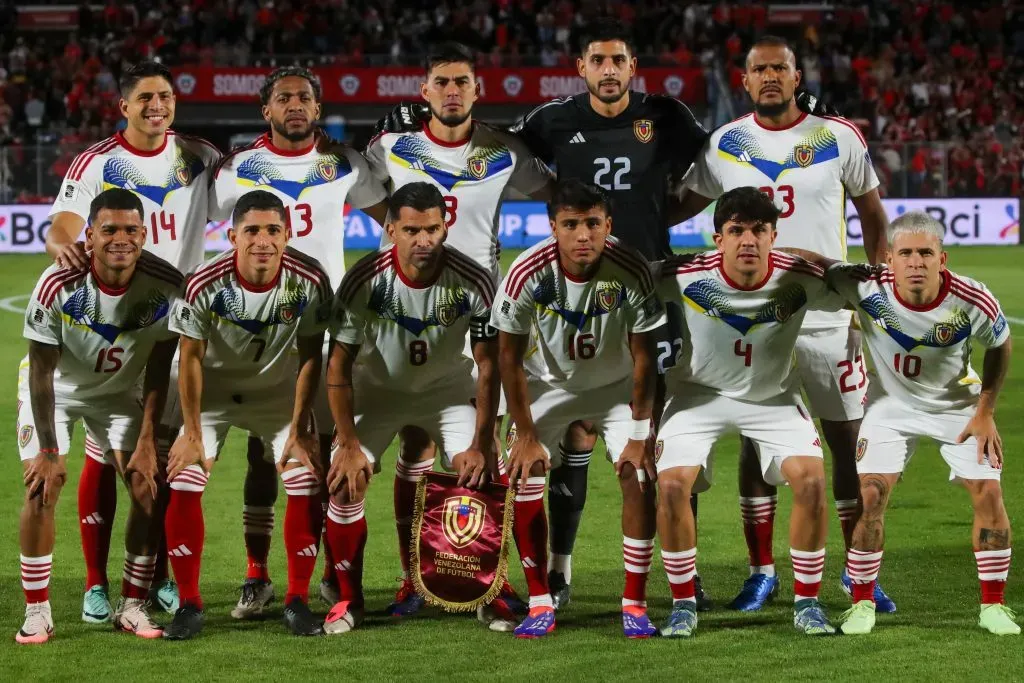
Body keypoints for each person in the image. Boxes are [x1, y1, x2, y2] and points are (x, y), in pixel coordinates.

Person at [374, 21, 713, 610]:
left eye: (618, 60)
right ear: (580, 67)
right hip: (546, 294)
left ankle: (686, 574)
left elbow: (710, 172)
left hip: (648, 285)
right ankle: (552, 572)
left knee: (663, 440)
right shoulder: (546, 123)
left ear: (633, 65)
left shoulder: (669, 117)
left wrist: (658, 221)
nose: (608, 71)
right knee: (562, 434)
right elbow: (493, 154)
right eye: (597, 61)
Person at [676, 35, 894, 612]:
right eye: (758, 69)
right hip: (756, 319)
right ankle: (760, 571)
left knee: (845, 444)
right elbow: (684, 204)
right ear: (744, 81)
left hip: (826, 316)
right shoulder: (724, 143)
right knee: (756, 440)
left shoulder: (838, 136)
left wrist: (871, 289)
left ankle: (855, 573)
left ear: (798, 77)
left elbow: (872, 212)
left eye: (780, 68)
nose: (770, 76)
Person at [363, 41, 549, 623]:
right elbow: (371, 199)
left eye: (461, 82)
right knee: (414, 448)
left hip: (479, 315)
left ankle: (483, 580)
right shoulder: (392, 146)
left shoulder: (503, 150)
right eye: (440, 81)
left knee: (480, 452)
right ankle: (412, 578)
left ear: (476, 89)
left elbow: (552, 189)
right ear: (424, 91)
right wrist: (411, 249)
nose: (451, 90)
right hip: (405, 311)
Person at [209, 65, 388, 620]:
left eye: (304, 98)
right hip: (261, 327)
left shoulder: (345, 163)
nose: (295, 105)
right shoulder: (237, 169)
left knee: (329, 450)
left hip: (327, 324)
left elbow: (390, 216)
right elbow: (205, 222)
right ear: (266, 110)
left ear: (317, 108)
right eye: (284, 97)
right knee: (264, 453)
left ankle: (332, 577)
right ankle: (258, 576)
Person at [45, 60, 221, 621]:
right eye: (145, 97)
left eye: (165, 96)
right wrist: (66, 251)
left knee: (162, 458)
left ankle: (158, 574)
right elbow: (64, 224)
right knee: (106, 452)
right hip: (115, 324)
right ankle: (97, 583)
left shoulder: (200, 157)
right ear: (124, 105)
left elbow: (251, 193)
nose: (157, 106)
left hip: (175, 324)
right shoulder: (97, 160)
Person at [788, 212, 1018, 636]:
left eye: (925, 253)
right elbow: (818, 263)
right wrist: (766, 253)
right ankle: (861, 603)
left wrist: (985, 411)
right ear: (888, 258)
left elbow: (1001, 344)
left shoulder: (972, 299)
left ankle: (994, 607)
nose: (916, 262)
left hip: (957, 406)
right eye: (906, 253)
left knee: (988, 493)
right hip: (891, 406)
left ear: (942, 258)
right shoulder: (866, 285)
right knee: (871, 496)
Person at [655, 186, 845, 637]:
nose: (748, 241)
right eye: (736, 230)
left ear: (773, 235)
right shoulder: (685, 274)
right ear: (717, 238)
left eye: (759, 230)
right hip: (698, 397)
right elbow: (621, 280)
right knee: (670, 487)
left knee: (813, 482)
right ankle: (683, 605)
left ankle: (807, 604)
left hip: (773, 399)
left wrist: (821, 259)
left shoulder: (799, 277)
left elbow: (859, 286)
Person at [320, 182, 501, 634]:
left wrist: (483, 439)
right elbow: (338, 366)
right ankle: (349, 599)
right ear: (390, 229)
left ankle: (488, 592)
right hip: (378, 392)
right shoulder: (365, 279)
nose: (424, 241)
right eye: (412, 230)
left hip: (446, 391)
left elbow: (487, 362)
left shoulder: (473, 278)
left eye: (433, 229)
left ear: (446, 226)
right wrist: (346, 442)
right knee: (346, 481)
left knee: (481, 470)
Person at [492, 179, 665, 639]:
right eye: (571, 224)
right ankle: (540, 601)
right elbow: (508, 358)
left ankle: (634, 602)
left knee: (640, 473)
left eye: (592, 223)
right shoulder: (526, 273)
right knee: (522, 475)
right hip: (548, 389)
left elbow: (646, 356)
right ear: (553, 227)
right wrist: (525, 434)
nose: (583, 234)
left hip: (613, 389)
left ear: (608, 224)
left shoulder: (632, 270)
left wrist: (640, 432)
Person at [161, 190, 332, 640]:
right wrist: (194, 431)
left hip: (275, 395)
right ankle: (189, 605)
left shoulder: (310, 279)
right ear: (232, 235)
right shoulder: (203, 282)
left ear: (288, 234)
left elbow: (312, 355)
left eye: (273, 230)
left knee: (304, 477)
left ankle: (297, 599)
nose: (263, 240)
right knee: (184, 477)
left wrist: (299, 427)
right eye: (252, 231)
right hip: (213, 396)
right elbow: (190, 357)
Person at [16, 188, 182, 643]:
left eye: (130, 229)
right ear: (89, 234)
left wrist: (148, 440)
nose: (120, 238)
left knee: (147, 483)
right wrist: (49, 450)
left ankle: (132, 605)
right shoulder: (58, 282)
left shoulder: (167, 284)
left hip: (118, 392)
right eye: (108, 229)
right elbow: (42, 373)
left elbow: (159, 370)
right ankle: (37, 611)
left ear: (144, 235)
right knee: (41, 486)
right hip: (57, 392)